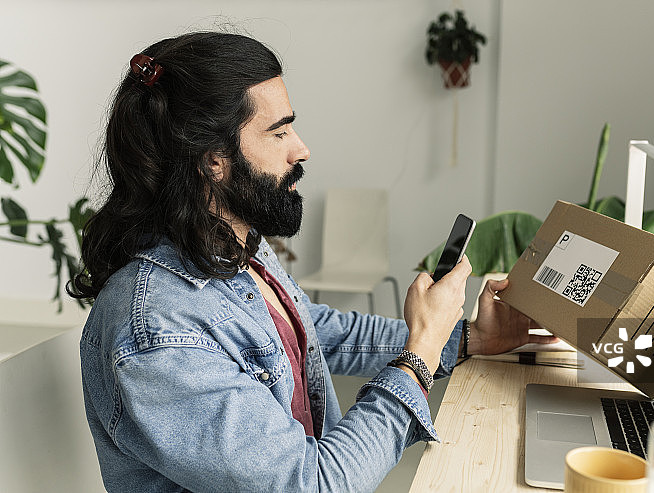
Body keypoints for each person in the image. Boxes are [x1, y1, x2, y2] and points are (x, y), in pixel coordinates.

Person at [69, 31, 557, 493]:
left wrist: (468, 339)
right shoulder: (155, 334)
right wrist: (420, 352)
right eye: (278, 133)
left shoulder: (235, 246)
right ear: (213, 160)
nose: (301, 149)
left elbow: (318, 332)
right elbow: (314, 484)